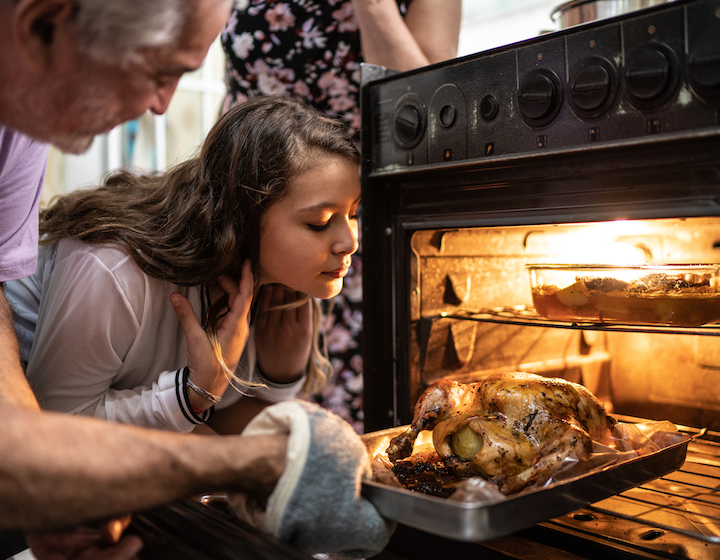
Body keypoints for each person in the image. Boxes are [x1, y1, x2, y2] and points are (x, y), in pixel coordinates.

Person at [0, 0, 299, 557]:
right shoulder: (108, 264)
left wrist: (48, 491)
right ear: (41, 24)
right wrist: (258, 461)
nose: (160, 108)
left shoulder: (19, 134)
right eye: (160, 73)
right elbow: (63, 410)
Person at [6, 97, 360, 439]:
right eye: (320, 221)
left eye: (354, 214)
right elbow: (57, 425)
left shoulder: (285, 284)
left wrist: (280, 378)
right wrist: (191, 395)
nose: (351, 241)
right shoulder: (111, 266)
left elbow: (222, 418)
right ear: (244, 215)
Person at [221, 0, 461, 432]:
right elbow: (236, 96)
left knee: (355, 425)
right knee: (241, 402)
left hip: (368, 227)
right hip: (253, 224)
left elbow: (433, 114)